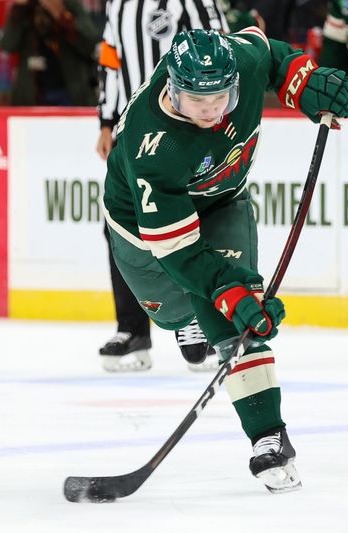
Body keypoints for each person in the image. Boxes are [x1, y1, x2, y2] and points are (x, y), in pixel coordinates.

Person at [101, 27, 348, 491]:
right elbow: (179, 250)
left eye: (222, 97)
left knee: (237, 319)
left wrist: (305, 82)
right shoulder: (151, 142)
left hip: (221, 204)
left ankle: (269, 439)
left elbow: (276, 56)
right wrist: (225, 290)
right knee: (196, 301)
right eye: (199, 101)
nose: (213, 110)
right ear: (173, 90)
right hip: (144, 236)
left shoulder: (241, 59)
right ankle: (189, 320)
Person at [95, 0, 228, 373]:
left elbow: (220, 49)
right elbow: (110, 59)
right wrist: (106, 120)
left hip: (187, 130)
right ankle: (133, 329)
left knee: (196, 220)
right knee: (121, 226)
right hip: (131, 132)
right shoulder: (118, 3)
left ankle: (205, 319)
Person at [0, 0, 101, 106]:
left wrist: (61, 14)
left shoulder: (71, 5)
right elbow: (8, 45)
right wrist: (19, 9)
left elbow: (90, 45)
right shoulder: (26, 8)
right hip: (32, 95)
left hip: (71, 92)